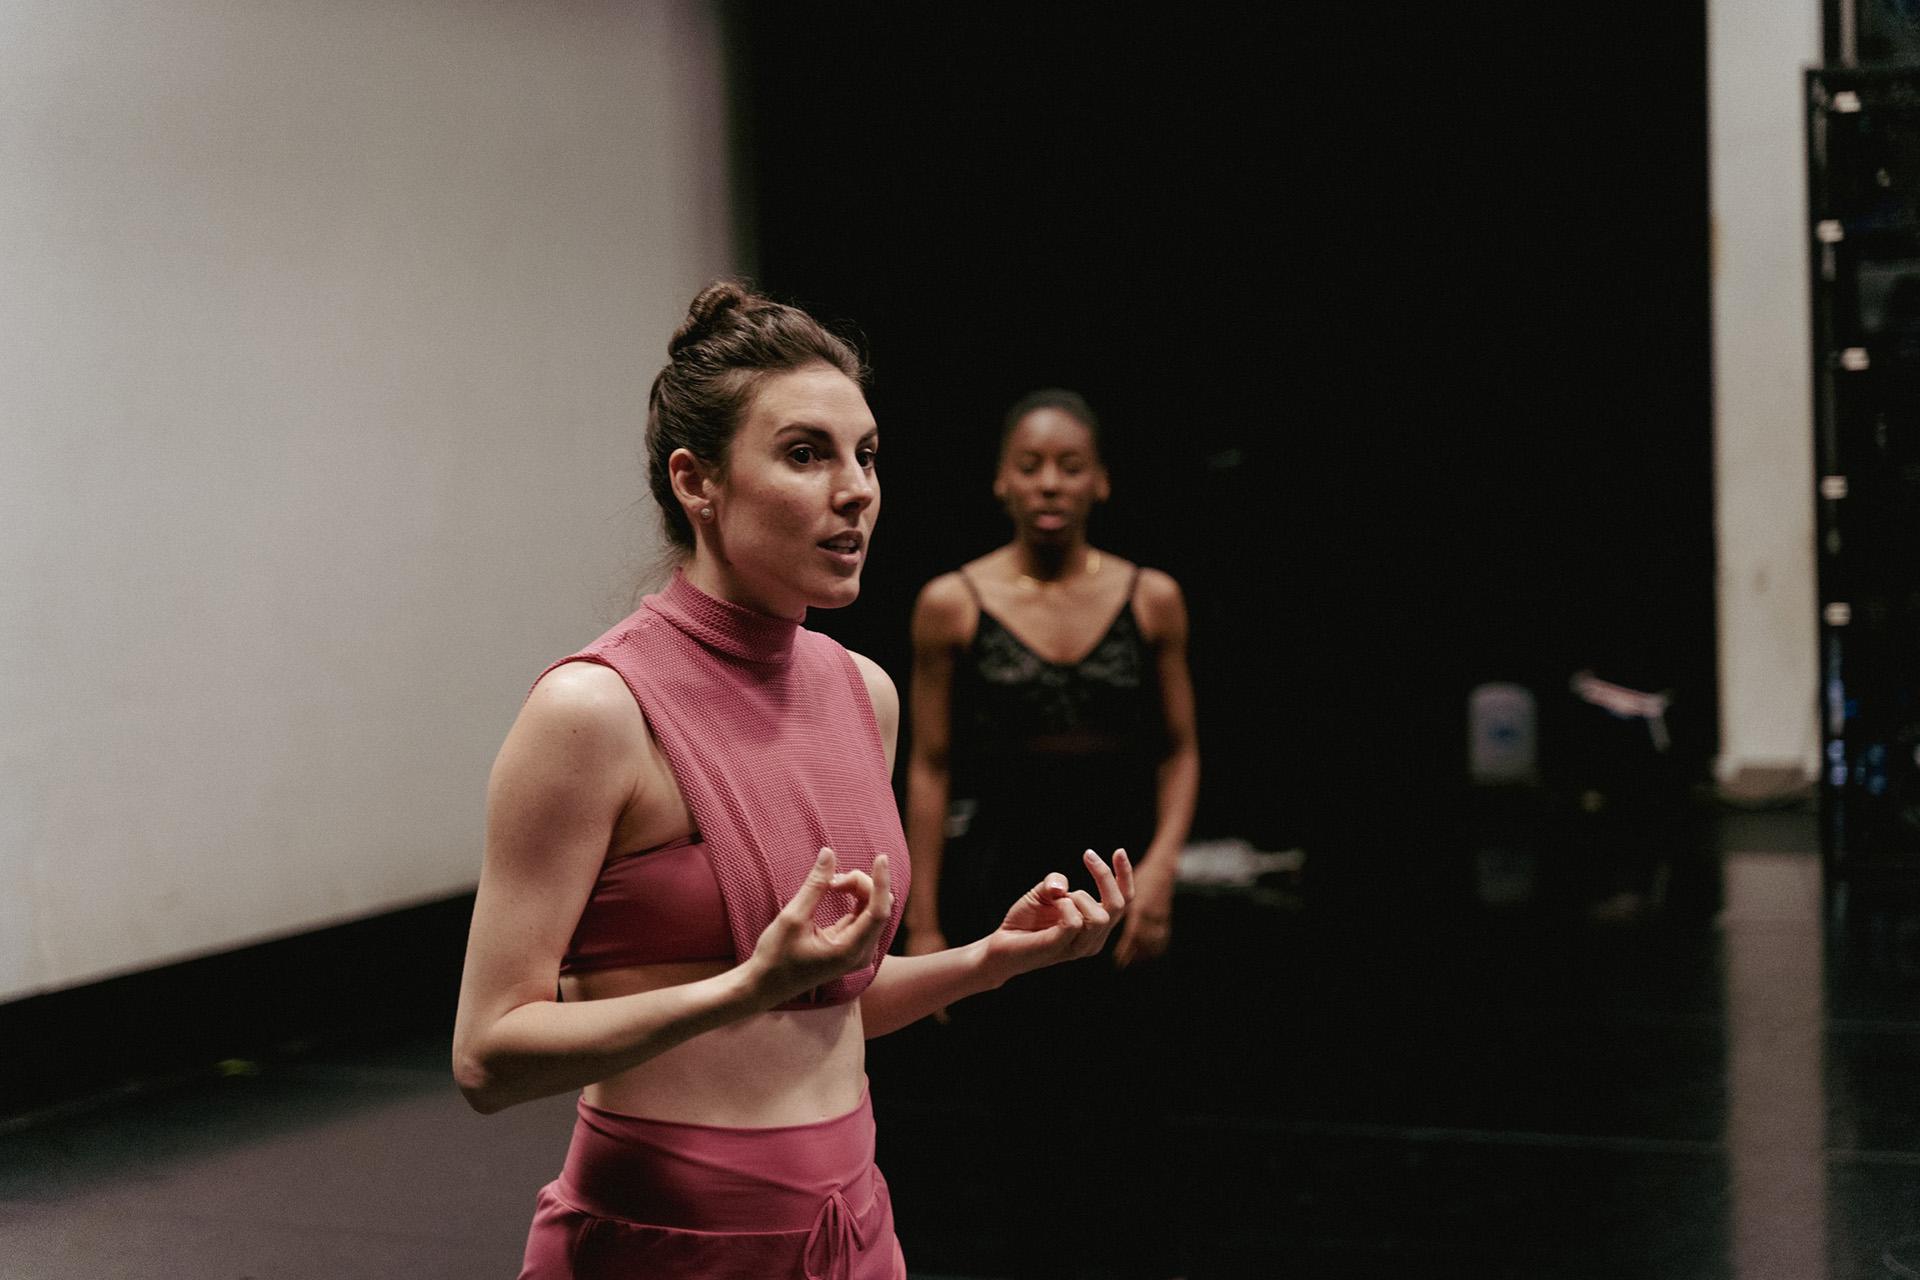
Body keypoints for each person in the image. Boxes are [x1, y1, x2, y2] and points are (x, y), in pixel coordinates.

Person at [451, 284, 1132, 1280]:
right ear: (698, 480)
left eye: (866, 454)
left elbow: (828, 1007)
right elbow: (488, 1054)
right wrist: (740, 987)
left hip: (853, 1228)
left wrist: (993, 959)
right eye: (806, 453)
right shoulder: (595, 712)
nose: (855, 488)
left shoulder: (865, 693)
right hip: (664, 1243)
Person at [899, 388, 1200, 1278]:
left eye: (1070, 465)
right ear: (1001, 480)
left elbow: (1180, 750)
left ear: (1100, 481)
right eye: (1030, 466)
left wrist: (1162, 871)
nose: (1049, 484)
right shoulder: (951, 603)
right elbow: (930, 765)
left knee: (1128, 1102)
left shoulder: (1152, 599)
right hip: (1003, 877)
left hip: (1120, 874)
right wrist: (922, 920)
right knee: (1019, 1106)